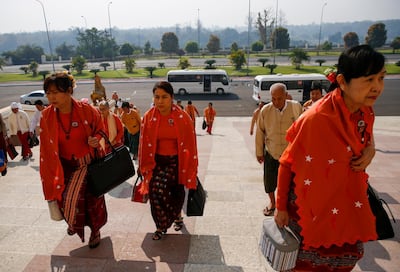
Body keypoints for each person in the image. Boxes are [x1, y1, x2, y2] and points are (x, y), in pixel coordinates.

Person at [274, 45, 385, 271]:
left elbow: (366, 137)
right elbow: (286, 163)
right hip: (312, 205)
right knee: (308, 264)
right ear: (343, 82)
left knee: (345, 260)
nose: (377, 87)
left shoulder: (365, 111)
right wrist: (280, 207)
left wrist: (371, 148)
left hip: (346, 200)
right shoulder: (316, 118)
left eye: (381, 78)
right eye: (369, 80)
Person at [39, 72, 107, 249]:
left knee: (92, 203)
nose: (51, 97)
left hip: (87, 164)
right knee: (65, 199)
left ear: (69, 91)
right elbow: (47, 146)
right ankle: (73, 221)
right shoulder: (47, 116)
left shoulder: (87, 111)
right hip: (64, 167)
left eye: (55, 92)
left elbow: (101, 130)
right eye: (48, 92)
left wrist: (95, 139)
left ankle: (95, 232)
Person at [138, 81, 198, 241]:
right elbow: (143, 143)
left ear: (172, 98)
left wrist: (191, 168)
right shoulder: (149, 117)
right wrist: (142, 165)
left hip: (176, 162)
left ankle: (166, 222)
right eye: (157, 97)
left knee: (167, 189)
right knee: (155, 191)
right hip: (156, 161)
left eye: (164, 97)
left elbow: (191, 145)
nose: (160, 101)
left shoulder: (182, 118)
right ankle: (162, 224)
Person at [255, 83, 302, 216]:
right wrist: (259, 152)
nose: (276, 102)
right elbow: (260, 132)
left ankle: (289, 204)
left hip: (290, 153)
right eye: (273, 98)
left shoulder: (296, 107)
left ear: (286, 96)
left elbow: (302, 130)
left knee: (291, 181)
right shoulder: (265, 110)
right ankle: (272, 202)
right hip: (272, 151)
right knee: (269, 180)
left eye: (279, 98)